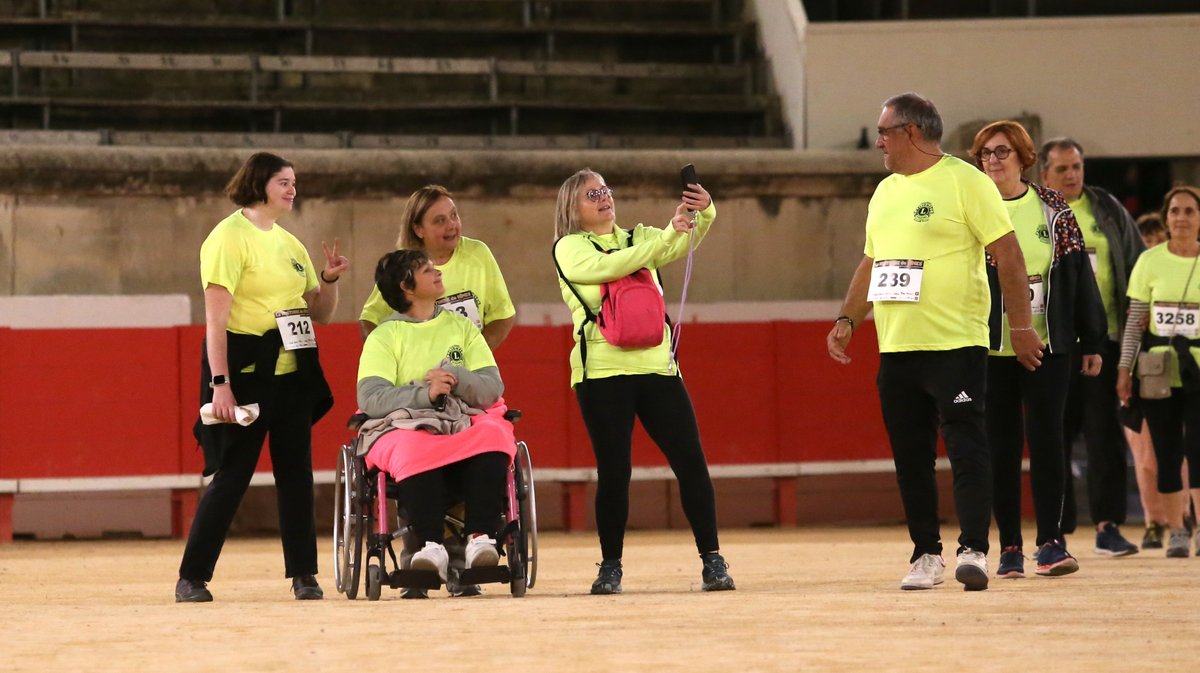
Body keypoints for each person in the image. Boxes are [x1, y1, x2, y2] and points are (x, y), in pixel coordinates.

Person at [827, 93, 1042, 592]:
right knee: (911, 459)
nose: (877, 140)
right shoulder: (884, 192)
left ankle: (973, 550)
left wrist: (1021, 326)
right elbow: (871, 262)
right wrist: (847, 318)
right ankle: (926, 554)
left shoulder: (967, 181)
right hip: (898, 346)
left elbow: (1008, 254)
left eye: (884, 131)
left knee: (967, 445)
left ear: (913, 132)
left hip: (957, 343)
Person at [552, 168, 734, 594]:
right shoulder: (569, 248)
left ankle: (712, 559)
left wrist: (702, 212)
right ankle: (610, 565)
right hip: (602, 371)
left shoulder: (642, 237)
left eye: (605, 190)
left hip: (657, 367)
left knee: (691, 462)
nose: (603, 198)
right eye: (591, 194)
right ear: (572, 209)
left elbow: (681, 240)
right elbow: (614, 265)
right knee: (615, 471)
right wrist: (664, 236)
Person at [176, 152, 348, 603]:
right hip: (246, 372)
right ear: (259, 184)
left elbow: (320, 315)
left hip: (293, 371)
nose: (293, 189)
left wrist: (328, 280)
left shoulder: (292, 246)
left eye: (294, 182)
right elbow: (216, 322)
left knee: (297, 474)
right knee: (232, 474)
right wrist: (220, 383)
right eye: (283, 182)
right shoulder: (228, 238)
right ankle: (191, 577)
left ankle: (304, 575)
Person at [969, 121, 1106, 579]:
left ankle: (1051, 541)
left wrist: (1091, 336)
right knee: (1001, 447)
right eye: (985, 153)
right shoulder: (970, 209)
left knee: (1049, 441)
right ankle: (1009, 545)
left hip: (1050, 345)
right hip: (990, 349)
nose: (992, 160)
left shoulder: (1052, 208)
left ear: (1024, 157)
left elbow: (1076, 276)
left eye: (1002, 151)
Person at [356, 249, 513, 588]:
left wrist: (456, 376)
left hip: (461, 419)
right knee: (412, 443)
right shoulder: (384, 336)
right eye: (427, 270)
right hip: (406, 424)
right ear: (406, 286)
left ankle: (481, 539)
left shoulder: (462, 328)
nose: (437, 271)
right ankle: (430, 546)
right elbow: (370, 397)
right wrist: (424, 395)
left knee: (494, 434)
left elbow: (492, 388)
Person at [1040, 137, 1146, 556]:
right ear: (1044, 174)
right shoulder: (1035, 210)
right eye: (1062, 169)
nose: (1071, 175)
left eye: (1076, 167)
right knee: (1055, 439)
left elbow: (1137, 265)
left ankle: (1108, 526)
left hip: (1106, 341)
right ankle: (1056, 532)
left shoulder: (1107, 209)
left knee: (1105, 439)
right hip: (1055, 343)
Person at [1117, 185, 1200, 558]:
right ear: (1165, 218)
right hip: (1157, 372)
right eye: (1175, 211)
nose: (1181, 218)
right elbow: (1135, 323)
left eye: (1189, 211)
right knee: (1166, 453)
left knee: (1198, 452)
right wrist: (1124, 369)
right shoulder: (1149, 262)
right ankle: (1177, 530)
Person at [359, 185, 515, 350]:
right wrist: (390, 358)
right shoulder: (402, 266)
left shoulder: (479, 253)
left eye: (454, 215)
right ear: (418, 229)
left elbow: (502, 315)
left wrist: (472, 356)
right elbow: (370, 320)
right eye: (440, 220)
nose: (451, 225)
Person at [1127, 212, 1174, 548]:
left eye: (1159, 242)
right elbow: (1127, 328)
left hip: (1179, 368)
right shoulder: (1131, 281)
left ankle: (1183, 517)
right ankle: (1153, 521)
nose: (1153, 249)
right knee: (1144, 455)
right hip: (1138, 370)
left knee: (1181, 452)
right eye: (1147, 244)